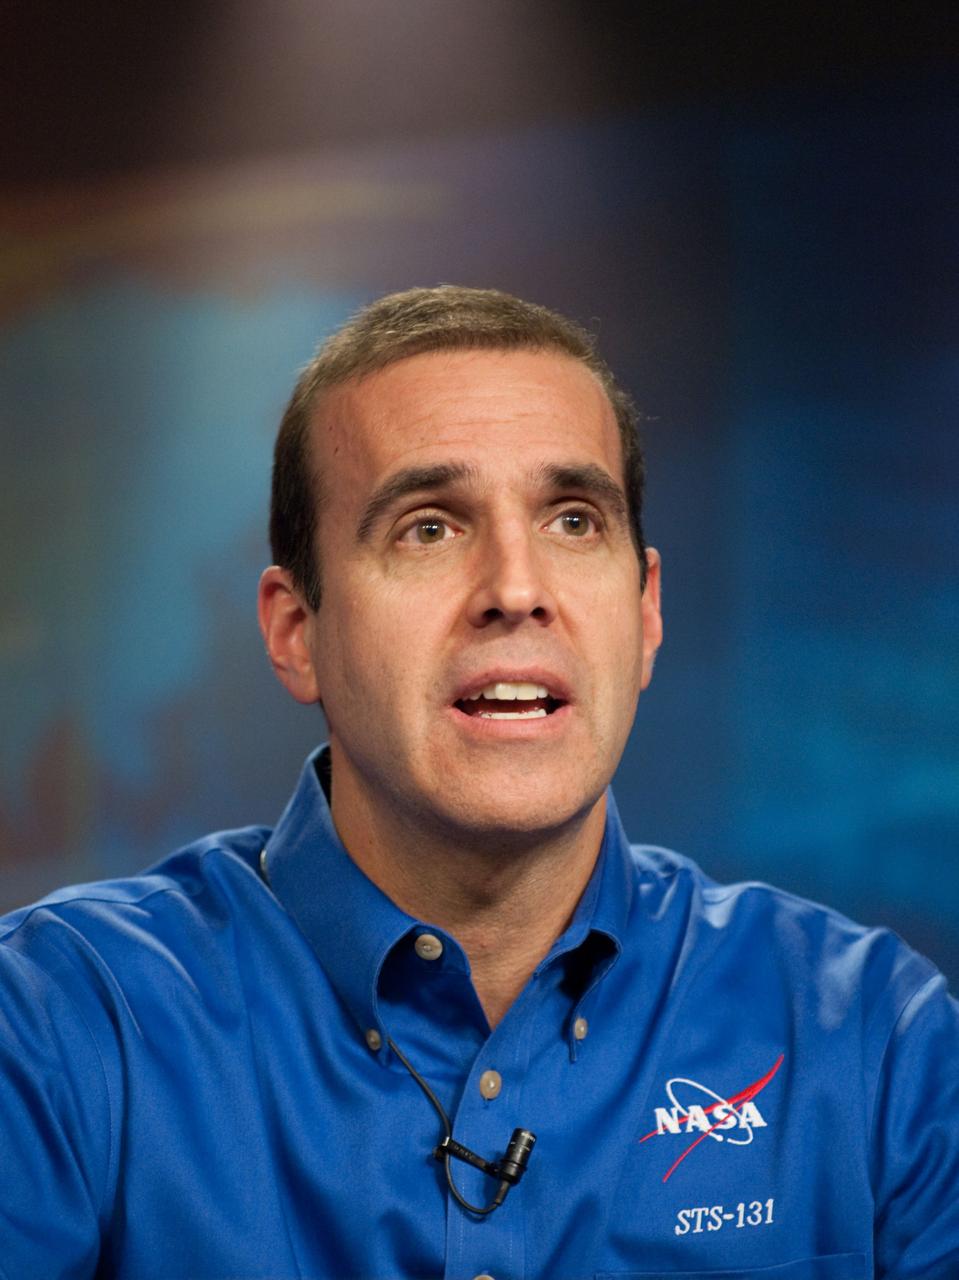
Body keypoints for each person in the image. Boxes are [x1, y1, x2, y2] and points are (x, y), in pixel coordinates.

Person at [1, 286, 956, 1279]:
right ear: (297, 634)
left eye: (573, 519)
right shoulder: (58, 1025)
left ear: (646, 612)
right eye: (428, 527)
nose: (514, 586)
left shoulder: (874, 1044)